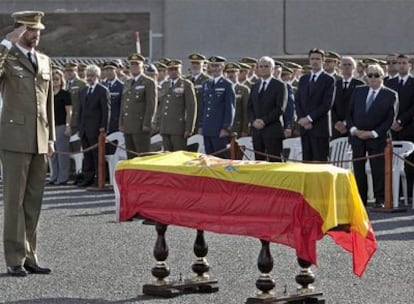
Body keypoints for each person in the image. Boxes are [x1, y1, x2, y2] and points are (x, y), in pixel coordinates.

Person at [0, 11, 55, 277]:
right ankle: (14, 257)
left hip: (40, 140)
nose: (37, 34)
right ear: (20, 30)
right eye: (32, 30)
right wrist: (5, 44)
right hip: (14, 138)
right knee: (14, 201)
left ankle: (30, 255)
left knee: (34, 201)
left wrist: (52, 136)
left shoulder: (45, 60)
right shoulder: (7, 57)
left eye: (39, 30)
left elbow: (49, 103)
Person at [347, 64, 397, 207]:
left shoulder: (390, 94)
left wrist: (373, 133)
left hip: (377, 138)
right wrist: (355, 130)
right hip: (357, 137)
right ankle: (360, 199)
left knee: (378, 169)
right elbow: (349, 113)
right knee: (358, 169)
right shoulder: (358, 91)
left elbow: (390, 119)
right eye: (370, 75)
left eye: (377, 75)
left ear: (382, 77)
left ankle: (379, 199)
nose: (373, 78)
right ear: (366, 77)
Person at [295, 48, 335, 161]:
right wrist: (302, 119)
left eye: (317, 59)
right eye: (312, 59)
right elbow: (298, 101)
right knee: (306, 162)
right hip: (304, 128)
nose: (315, 61)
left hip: (319, 128)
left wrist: (309, 118)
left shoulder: (329, 80)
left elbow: (326, 104)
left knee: (320, 162)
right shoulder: (303, 79)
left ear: (323, 61)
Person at [247, 56, 287, 162]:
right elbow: (249, 107)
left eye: (266, 66)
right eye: (261, 66)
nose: (263, 68)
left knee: (275, 162)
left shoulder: (279, 85)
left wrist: (264, 121)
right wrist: (253, 121)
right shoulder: (255, 86)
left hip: (272, 130)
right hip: (257, 131)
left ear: (272, 69)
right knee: (259, 162)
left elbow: (280, 108)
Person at [77, 64, 110, 187]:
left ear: (97, 76)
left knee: (97, 155)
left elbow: (106, 111)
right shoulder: (83, 90)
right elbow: (80, 110)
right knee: (87, 155)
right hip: (84, 128)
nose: (89, 78)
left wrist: (103, 127)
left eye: (92, 76)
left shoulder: (102, 90)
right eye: (88, 76)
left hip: (96, 128)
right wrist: (80, 126)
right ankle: (88, 178)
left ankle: (100, 178)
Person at [119, 53, 157, 158]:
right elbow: (124, 104)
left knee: (142, 155)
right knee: (130, 156)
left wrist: (147, 123)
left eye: (137, 64)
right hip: (128, 125)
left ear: (142, 66)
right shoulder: (128, 82)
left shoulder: (148, 82)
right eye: (132, 64)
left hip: (140, 125)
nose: (134, 66)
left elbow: (151, 105)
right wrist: (121, 122)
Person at [388, 54, 414, 200]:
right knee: (392, 162)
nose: (401, 65)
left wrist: (401, 121)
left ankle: (409, 193)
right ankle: (395, 193)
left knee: (410, 162)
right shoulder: (390, 83)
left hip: (409, 128)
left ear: (409, 65)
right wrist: (392, 122)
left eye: (404, 63)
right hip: (393, 129)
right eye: (399, 63)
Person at [199, 56, 235, 157]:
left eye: (217, 66)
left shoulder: (227, 84)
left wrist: (226, 128)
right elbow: (204, 106)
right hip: (207, 127)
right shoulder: (206, 83)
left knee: (221, 158)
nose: (214, 68)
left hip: (219, 129)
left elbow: (230, 108)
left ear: (222, 67)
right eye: (212, 66)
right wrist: (201, 125)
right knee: (209, 157)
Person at [157, 59, 197, 151]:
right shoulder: (165, 84)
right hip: (165, 126)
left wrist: (189, 128)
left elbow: (191, 107)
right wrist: (159, 123)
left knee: (178, 155)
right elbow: (162, 105)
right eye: (171, 70)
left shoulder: (186, 84)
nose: (174, 72)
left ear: (180, 70)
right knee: (167, 155)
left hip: (178, 127)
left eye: (176, 69)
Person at [331, 56, 364, 138]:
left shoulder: (360, 84)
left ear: (354, 67)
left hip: (353, 126)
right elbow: (330, 105)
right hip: (336, 127)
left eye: (349, 64)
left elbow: (360, 107)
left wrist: (345, 123)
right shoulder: (334, 84)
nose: (346, 67)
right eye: (344, 64)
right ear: (340, 67)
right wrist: (336, 122)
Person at [49, 69, 72, 185]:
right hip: (50, 126)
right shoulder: (48, 94)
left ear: (61, 80)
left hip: (61, 125)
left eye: (57, 79)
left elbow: (69, 112)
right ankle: (54, 176)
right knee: (52, 153)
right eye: (53, 79)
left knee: (62, 152)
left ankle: (63, 177)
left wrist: (68, 126)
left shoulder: (65, 94)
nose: (55, 81)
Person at [224, 62, 250, 137]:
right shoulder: (222, 88)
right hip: (223, 128)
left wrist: (245, 129)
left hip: (237, 127)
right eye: (228, 72)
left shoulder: (243, 89)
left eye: (233, 72)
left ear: (238, 73)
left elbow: (246, 111)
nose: (230, 74)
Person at [187, 53, 210, 133]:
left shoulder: (208, 80)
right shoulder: (186, 80)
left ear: (203, 65)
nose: (195, 65)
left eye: (197, 63)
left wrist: (202, 124)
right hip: (187, 121)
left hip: (200, 119)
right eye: (193, 63)